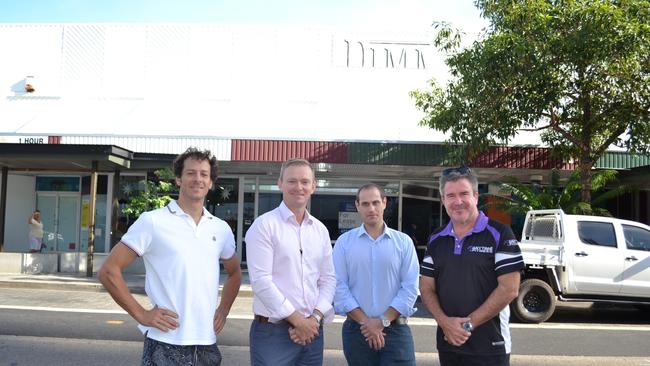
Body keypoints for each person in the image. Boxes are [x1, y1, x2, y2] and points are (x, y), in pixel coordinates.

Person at [98, 147, 241, 366]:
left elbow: (234, 273)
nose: (198, 179)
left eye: (204, 174)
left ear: (211, 182)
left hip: (206, 342)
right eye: (191, 173)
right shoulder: (153, 221)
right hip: (165, 341)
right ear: (178, 179)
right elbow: (109, 271)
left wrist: (224, 309)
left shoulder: (220, 229)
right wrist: (142, 315)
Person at [419, 166, 524, 366]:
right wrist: (445, 323)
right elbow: (426, 288)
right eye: (450, 195)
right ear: (443, 201)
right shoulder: (436, 238)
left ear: (476, 196)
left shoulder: (500, 233)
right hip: (449, 344)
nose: (458, 202)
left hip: (490, 347)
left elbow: (509, 289)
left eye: (464, 194)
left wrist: (467, 325)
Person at [245, 158, 336, 366]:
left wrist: (313, 320)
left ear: (313, 186)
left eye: (305, 181)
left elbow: (328, 279)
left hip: (313, 332)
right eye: (292, 181)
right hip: (273, 335)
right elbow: (261, 282)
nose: (299, 187)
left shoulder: (320, 230)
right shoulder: (264, 226)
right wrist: (298, 320)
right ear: (280, 183)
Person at [333, 183, 419, 366]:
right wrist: (368, 323)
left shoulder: (404, 243)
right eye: (365, 204)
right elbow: (339, 287)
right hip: (357, 331)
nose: (371, 208)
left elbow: (410, 288)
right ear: (357, 206)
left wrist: (382, 321)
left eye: (375, 202)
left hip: (396, 331)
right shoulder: (344, 243)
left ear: (384, 203)